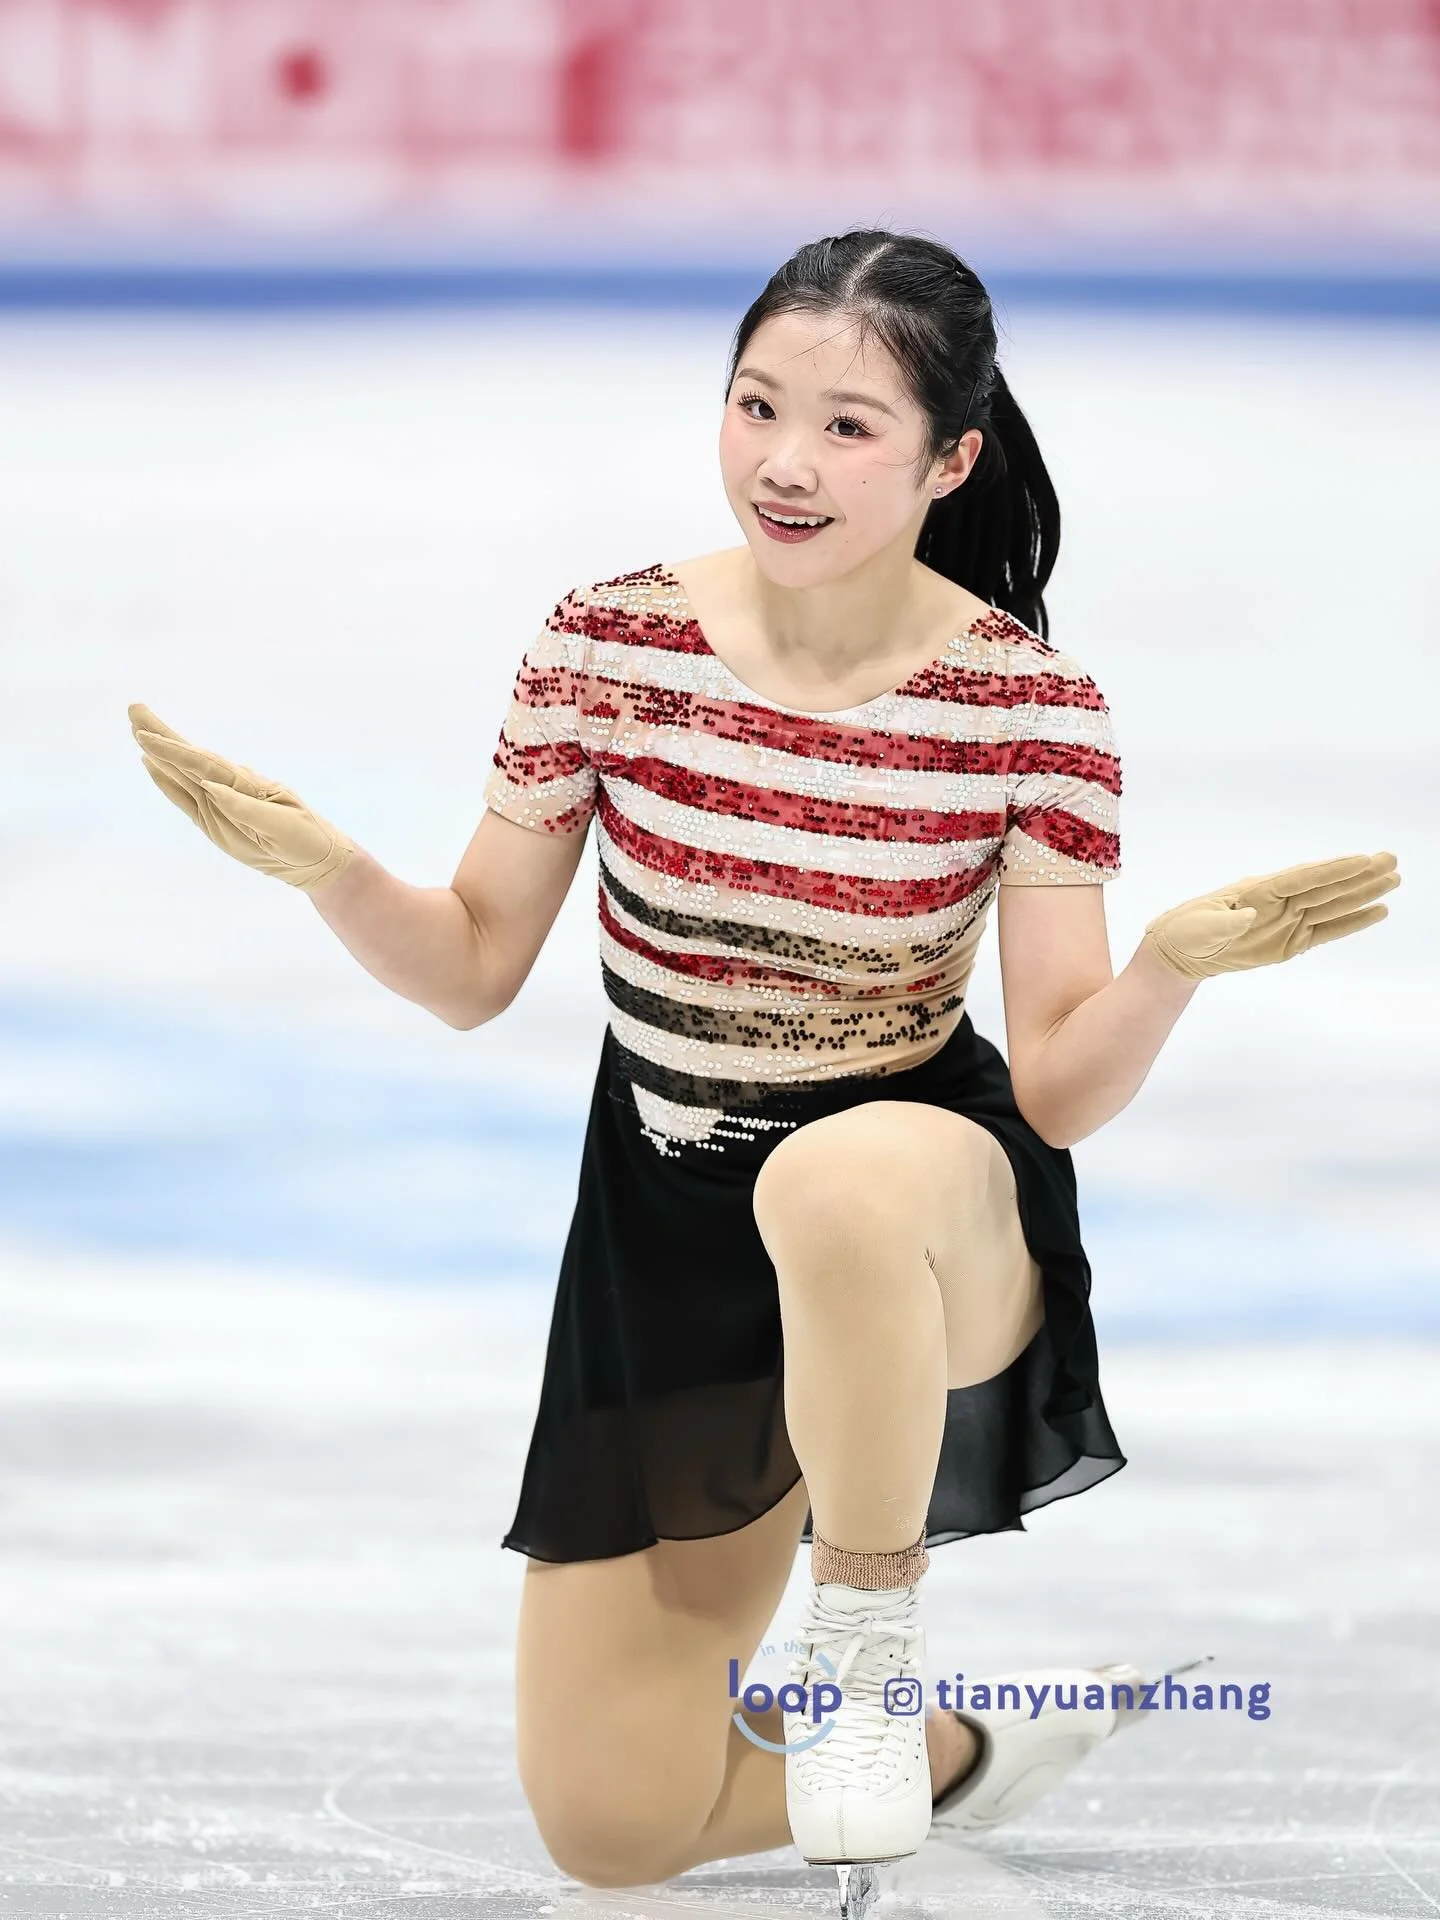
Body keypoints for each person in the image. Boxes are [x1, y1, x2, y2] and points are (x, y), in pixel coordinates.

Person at [125, 229, 1400, 1914]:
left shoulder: (1028, 707)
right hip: (667, 1232)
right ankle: (960, 1750)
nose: (785, 463)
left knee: (834, 1176)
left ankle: (868, 1659)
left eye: (850, 427)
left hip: (929, 1209)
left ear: (953, 459)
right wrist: (327, 873)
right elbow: (473, 971)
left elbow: (1061, 1095)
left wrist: (1167, 968)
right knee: (615, 1822)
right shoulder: (608, 645)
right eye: (757, 405)